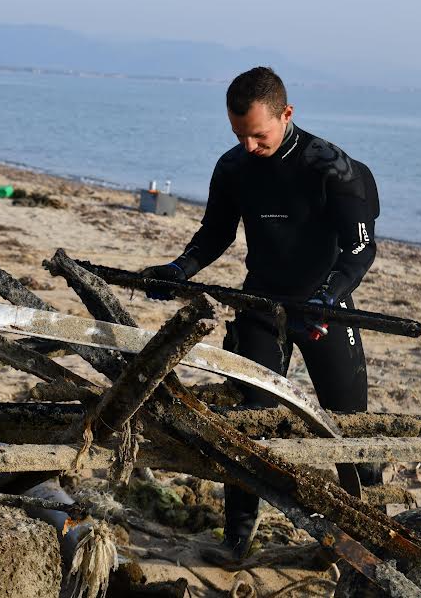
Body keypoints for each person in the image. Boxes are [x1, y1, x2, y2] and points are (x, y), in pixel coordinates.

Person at [141, 66, 382, 559]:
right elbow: (216, 235)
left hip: (324, 308)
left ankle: (368, 538)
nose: (249, 145)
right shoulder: (233, 167)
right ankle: (238, 539)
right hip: (259, 305)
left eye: (259, 134)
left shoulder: (331, 167)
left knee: (348, 424)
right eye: (238, 134)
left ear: (286, 114)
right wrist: (179, 269)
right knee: (249, 427)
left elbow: (360, 250)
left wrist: (328, 299)